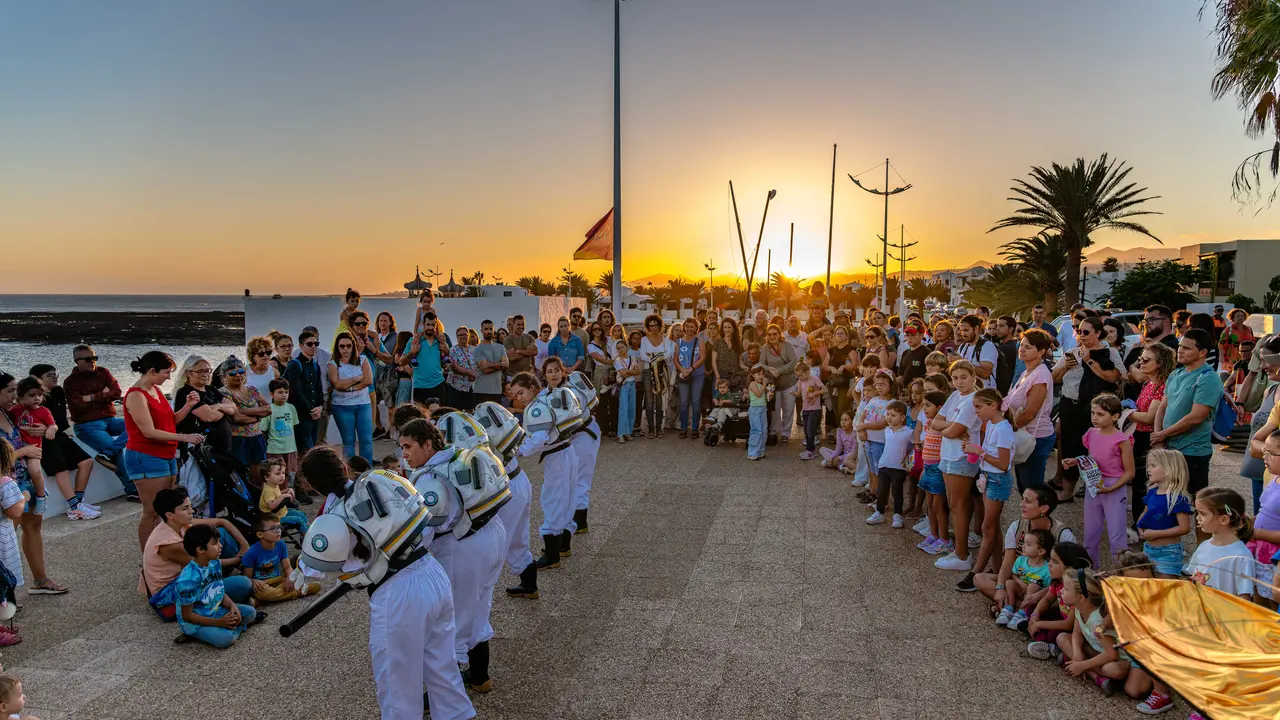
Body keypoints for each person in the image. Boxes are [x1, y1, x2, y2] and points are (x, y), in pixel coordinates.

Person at [295, 447, 475, 720]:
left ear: (310, 484)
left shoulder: (332, 516)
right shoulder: (383, 480)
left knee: (397, 686)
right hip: (432, 574)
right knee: (442, 668)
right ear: (344, 468)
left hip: (398, 593)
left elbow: (313, 569)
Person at [125, 352, 202, 553]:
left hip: (165, 455)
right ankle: (148, 556)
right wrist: (185, 437)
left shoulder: (155, 390)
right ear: (152, 371)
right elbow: (148, 432)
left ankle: (162, 549)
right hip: (146, 456)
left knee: (165, 509)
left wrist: (187, 406)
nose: (168, 377)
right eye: (166, 373)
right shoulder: (136, 395)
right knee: (151, 511)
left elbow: (169, 423)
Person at [139, 487, 250, 621]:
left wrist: (244, 545)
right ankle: (248, 572)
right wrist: (238, 559)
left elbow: (222, 522)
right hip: (173, 592)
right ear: (170, 515)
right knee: (243, 584)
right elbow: (205, 564)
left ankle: (249, 568)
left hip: (194, 573)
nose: (192, 511)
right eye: (186, 508)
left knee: (221, 534)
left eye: (190, 506)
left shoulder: (178, 523)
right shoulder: (169, 543)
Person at [508, 371, 580, 569]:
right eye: (515, 396)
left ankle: (552, 555)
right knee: (567, 498)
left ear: (532, 387)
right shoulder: (546, 399)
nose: (519, 399)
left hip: (557, 455)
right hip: (567, 451)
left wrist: (517, 451)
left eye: (521, 393)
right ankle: (562, 545)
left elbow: (538, 439)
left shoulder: (537, 407)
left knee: (552, 500)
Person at [1152, 328, 1223, 521]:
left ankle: (1202, 549)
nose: (1179, 351)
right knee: (1167, 501)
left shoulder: (1208, 378)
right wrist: (1158, 437)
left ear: (1202, 353)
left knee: (1200, 507)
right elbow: (1162, 407)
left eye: (1186, 348)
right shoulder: (1176, 374)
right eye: (1180, 346)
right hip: (1168, 447)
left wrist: (1163, 434)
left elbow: (1195, 417)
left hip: (1192, 452)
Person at [1051, 317, 1123, 502]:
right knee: (1069, 447)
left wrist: (1090, 361)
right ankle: (1067, 491)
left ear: (1098, 333)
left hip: (1096, 408)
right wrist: (1065, 368)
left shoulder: (1110, 353)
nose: (1080, 335)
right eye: (1078, 331)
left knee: (1097, 448)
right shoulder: (1072, 352)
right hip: (1071, 404)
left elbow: (1116, 377)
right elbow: (1053, 378)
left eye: (1085, 331)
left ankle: (1095, 488)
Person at [1063, 394, 1135, 567]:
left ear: (1115, 416)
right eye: (1093, 413)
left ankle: (1120, 577)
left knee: (1117, 536)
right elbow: (1093, 459)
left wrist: (1113, 488)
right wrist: (1077, 460)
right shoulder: (1091, 434)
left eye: (1100, 414)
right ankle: (1090, 574)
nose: (1095, 417)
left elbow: (1130, 472)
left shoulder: (1122, 440)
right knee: (1090, 534)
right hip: (1094, 485)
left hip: (1114, 487)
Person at [62, 345, 138, 500]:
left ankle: (108, 451)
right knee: (118, 453)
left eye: (94, 358)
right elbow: (77, 405)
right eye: (88, 359)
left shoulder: (103, 372)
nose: (93, 362)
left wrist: (90, 398)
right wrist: (103, 395)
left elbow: (116, 393)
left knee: (138, 424)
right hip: (87, 425)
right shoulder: (70, 382)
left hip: (109, 419)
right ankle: (131, 490)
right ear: (77, 361)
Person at [26, 365, 100, 520]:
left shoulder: (58, 392)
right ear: (37, 379)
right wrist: (46, 428)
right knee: (61, 468)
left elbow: (60, 419)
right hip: (45, 441)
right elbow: (28, 422)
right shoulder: (32, 398)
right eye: (49, 375)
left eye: (55, 374)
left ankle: (78, 502)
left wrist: (49, 427)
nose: (54, 377)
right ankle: (74, 507)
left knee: (86, 462)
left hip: (58, 434)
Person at [174, 524, 260, 649]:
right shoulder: (188, 581)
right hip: (196, 622)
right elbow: (187, 616)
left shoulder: (214, 563)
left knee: (251, 613)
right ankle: (197, 634)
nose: (220, 546)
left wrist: (232, 605)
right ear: (200, 550)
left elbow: (219, 590)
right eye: (215, 544)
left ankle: (230, 627)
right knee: (226, 639)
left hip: (215, 610)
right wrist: (219, 623)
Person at [964, 387, 1017, 585]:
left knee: (988, 526)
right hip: (988, 477)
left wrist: (979, 453)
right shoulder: (993, 425)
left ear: (992, 405)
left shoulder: (1002, 429)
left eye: (978, 407)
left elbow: (1003, 464)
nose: (976, 411)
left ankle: (976, 572)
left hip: (997, 479)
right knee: (992, 525)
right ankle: (997, 567)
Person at [934, 361, 982, 575]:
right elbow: (935, 422)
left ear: (973, 376)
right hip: (948, 455)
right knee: (954, 504)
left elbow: (953, 431)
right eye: (955, 378)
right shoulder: (955, 396)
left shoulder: (973, 400)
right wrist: (949, 427)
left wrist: (948, 428)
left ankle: (962, 555)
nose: (959, 381)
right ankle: (959, 549)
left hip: (961, 457)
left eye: (964, 377)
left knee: (959, 506)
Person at [1056, 569, 1133, 696]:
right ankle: (1095, 676)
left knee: (1113, 670)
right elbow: (1076, 633)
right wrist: (1077, 653)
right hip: (1097, 650)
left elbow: (1112, 654)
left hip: (1118, 659)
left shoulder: (1098, 621)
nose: (1061, 591)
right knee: (1062, 638)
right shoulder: (1078, 609)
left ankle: (1079, 666)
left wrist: (1082, 665)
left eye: (1066, 588)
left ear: (1080, 597)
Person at [1126, 341, 1175, 524]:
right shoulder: (1149, 383)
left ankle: (1146, 523)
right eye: (1140, 359)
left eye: (1146, 360)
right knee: (1139, 484)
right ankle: (1139, 521)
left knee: (1146, 485)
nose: (1141, 363)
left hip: (1149, 439)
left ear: (1160, 363)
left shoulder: (1162, 386)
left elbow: (1149, 417)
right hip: (1137, 436)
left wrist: (1126, 413)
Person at [1002, 329, 1055, 493]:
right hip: (1022, 433)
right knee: (1024, 486)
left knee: (1032, 489)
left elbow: (1030, 413)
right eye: (1022, 345)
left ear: (1041, 352)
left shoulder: (1040, 375)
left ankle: (1039, 518)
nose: (1022, 349)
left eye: (1028, 347)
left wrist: (1005, 429)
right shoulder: (1027, 371)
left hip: (1035, 436)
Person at [1023, 542, 1092, 662]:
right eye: (1050, 559)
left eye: (1055, 562)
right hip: (1061, 616)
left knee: (1053, 634)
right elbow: (1047, 599)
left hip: (1072, 628)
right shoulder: (1057, 581)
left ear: (1069, 568)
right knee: (1031, 609)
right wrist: (1035, 616)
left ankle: (1046, 643)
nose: (1049, 564)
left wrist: (1039, 624)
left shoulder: (1076, 591)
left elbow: (1068, 624)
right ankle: (1043, 642)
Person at [1185, 487, 1256, 598]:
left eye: (1203, 514)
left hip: (1225, 614)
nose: (1197, 518)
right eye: (1197, 513)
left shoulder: (1242, 556)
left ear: (1223, 519)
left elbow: (1244, 598)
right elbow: (1193, 579)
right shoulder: (1203, 546)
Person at [1135, 448, 1193, 578]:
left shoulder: (1178, 498)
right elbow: (1145, 513)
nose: (1148, 469)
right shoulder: (1152, 492)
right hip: (1148, 548)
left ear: (1169, 469)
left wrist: (1156, 534)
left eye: (1153, 465)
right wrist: (1140, 529)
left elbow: (1184, 528)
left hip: (1169, 551)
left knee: (1166, 590)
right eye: (1148, 466)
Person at [217, 356, 271, 485]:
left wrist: (242, 410)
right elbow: (236, 418)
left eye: (241, 372)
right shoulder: (223, 393)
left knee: (258, 471)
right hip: (237, 439)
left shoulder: (252, 389)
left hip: (257, 436)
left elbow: (268, 409)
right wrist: (258, 414)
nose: (238, 376)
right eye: (232, 373)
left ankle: (257, 500)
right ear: (224, 376)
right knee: (238, 473)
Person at [241, 515, 318, 604]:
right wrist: (253, 581)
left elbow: (287, 566)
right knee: (264, 592)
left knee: (292, 581)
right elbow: (246, 577)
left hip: (277, 580)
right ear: (260, 534)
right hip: (261, 585)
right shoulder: (252, 552)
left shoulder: (281, 544)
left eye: (279, 527)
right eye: (273, 528)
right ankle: (303, 590)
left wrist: (290, 577)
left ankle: (259, 602)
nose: (278, 531)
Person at [172, 355, 235, 456]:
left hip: (221, 449)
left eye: (207, 371)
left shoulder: (210, 389)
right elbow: (209, 417)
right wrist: (224, 409)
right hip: (198, 451)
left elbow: (233, 408)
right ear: (188, 373)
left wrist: (218, 407)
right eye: (200, 371)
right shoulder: (186, 393)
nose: (205, 374)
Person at [328, 332, 375, 462]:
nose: (345, 349)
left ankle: (366, 470)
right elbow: (337, 384)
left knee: (366, 440)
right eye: (342, 346)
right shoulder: (333, 364)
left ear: (353, 346)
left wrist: (350, 387)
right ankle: (351, 472)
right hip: (342, 406)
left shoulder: (362, 359)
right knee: (348, 441)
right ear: (337, 347)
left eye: (348, 346)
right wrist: (357, 378)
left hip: (363, 404)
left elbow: (369, 380)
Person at [9, 378, 51, 519]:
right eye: (32, 395)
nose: (37, 398)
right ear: (21, 397)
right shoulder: (15, 410)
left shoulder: (43, 411)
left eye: (39, 395)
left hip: (33, 447)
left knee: (35, 471)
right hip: (19, 446)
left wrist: (50, 429)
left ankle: (41, 496)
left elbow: (53, 424)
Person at [994, 528, 1053, 629]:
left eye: (1028, 544)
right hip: (1021, 590)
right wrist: (1020, 583)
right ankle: (1009, 609)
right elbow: (1014, 574)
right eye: (1024, 542)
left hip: (1034, 597)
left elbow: (1049, 587)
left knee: (1033, 586)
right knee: (1009, 583)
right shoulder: (1021, 560)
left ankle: (1023, 612)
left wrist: (1035, 592)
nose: (1023, 546)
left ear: (1041, 551)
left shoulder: (1047, 569)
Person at [867, 400, 913, 527]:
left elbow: (916, 445)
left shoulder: (908, 432)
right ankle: (879, 513)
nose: (889, 417)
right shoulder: (887, 430)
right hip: (884, 465)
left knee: (897, 492)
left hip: (899, 468)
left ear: (902, 417)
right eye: (887, 414)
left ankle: (897, 515)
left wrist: (909, 458)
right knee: (881, 491)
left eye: (893, 415)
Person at [1250, 429, 1280, 608]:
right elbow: (1267, 510)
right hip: (1260, 549)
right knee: (1257, 594)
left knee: (1271, 601)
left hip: (1274, 556)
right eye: (1264, 452)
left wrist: (1258, 532)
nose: (1265, 457)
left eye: (1271, 453)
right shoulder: (1275, 479)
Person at [284, 329, 325, 457]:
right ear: (301, 346)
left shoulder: (315, 365)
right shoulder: (295, 365)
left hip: (313, 414)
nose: (313, 347)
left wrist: (320, 407)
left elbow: (319, 389)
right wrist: (311, 409)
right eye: (309, 344)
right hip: (301, 415)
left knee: (312, 445)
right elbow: (295, 391)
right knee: (306, 449)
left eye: (316, 344)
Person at [0, 439, 28, 619]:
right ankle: (7, 609)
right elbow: (14, 511)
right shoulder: (5, 483)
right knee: (4, 574)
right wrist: (24, 497)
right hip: (2, 536)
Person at [760, 324, 799, 443]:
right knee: (775, 410)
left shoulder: (787, 345)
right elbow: (761, 363)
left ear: (779, 334)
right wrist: (770, 369)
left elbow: (793, 362)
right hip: (773, 385)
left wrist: (779, 371)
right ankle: (774, 432)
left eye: (774, 334)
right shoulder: (766, 347)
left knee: (788, 409)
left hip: (789, 382)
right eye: (770, 334)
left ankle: (785, 433)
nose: (772, 336)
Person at [638, 314, 675, 439]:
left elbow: (669, 353)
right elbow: (642, 355)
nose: (653, 327)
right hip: (648, 372)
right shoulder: (644, 340)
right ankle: (651, 429)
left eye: (655, 325)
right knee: (649, 401)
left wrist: (653, 356)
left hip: (661, 373)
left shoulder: (666, 340)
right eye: (651, 325)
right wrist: (659, 356)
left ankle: (659, 429)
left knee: (660, 401)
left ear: (659, 326)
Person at [673, 317, 706, 439]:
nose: (689, 329)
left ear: (696, 328)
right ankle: (683, 428)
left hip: (697, 374)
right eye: (687, 326)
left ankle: (695, 429)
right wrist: (682, 370)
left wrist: (691, 369)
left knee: (696, 402)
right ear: (684, 327)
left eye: (692, 326)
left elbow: (702, 358)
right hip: (683, 375)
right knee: (684, 403)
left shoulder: (700, 341)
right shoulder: (679, 342)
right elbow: (675, 359)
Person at [258, 457, 309, 535]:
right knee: (299, 520)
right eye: (278, 474)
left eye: (283, 473)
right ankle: (307, 537)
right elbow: (271, 505)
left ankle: (306, 533)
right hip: (274, 518)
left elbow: (277, 494)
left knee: (301, 514)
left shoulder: (274, 485)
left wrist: (287, 490)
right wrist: (284, 496)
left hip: (282, 513)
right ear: (267, 477)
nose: (282, 476)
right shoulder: (268, 490)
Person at [407, 313, 449, 406]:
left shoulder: (440, 340)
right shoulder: (414, 340)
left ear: (436, 325)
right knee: (422, 418)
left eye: (433, 325)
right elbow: (402, 361)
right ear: (423, 324)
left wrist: (447, 350)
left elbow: (449, 359)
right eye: (428, 324)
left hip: (438, 384)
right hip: (420, 386)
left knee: (439, 416)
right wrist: (411, 352)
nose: (430, 327)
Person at [470, 319, 508, 408]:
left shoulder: (501, 347)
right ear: (481, 331)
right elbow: (485, 370)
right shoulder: (477, 349)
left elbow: (506, 364)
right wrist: (500, 365)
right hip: (481, 391)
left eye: (490, 329)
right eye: (486, 329)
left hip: (496, 391)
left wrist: (489, 364)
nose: (488, 331)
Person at [954, 315, 997, 389]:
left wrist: (962, 361)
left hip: (983, 393)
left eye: (966, 330)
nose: (963, 334)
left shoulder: (987, 346)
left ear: (976, 329)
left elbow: (985, 373)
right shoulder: (963, 346)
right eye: (961, 330)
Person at [793, 360, 825, 460]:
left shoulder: (815, 379)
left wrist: (814, 393)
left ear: (807, 372)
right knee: (806, 431)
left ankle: (810, 451)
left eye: (801, 375)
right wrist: (794, 393)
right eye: (797, 376)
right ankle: (808, 450)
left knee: (811, 431)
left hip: (814, 409)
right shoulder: (800, 381)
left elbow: (824, 389)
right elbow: (799, 393)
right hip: (805, 408)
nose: (799, 378)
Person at [445, 326, 478, 411]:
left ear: (468, 336)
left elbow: (478, 365)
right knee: (455, 411)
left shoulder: (474, 349)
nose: (463, 336)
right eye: (460, 335)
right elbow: (455, 367)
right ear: (457, 337)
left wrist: (475, 375)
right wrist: (470, 373)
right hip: (456, 386)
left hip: (470, 386)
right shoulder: (453, 350)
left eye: (465, 334)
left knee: (470, 411)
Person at [614, 339, 640, 443]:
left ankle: (628, 432)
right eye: (618, 348)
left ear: (627, 347)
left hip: (632, 384)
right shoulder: (617, 360)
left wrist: (629, 371)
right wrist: (631, 372)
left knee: (631, 409)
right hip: (624, 385)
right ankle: (620, 433)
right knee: (623, 409)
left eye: (622, 347)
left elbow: (637, 371)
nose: (620, 349)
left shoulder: (632, 358)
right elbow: (622, 373)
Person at [711, 318, 745, 391]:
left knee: (732, 400)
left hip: (734, 377)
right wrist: (717, 377)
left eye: (729, 327)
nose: (727, 329)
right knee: (719, 400)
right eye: (725, 327)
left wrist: (745, 367)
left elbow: (740, 362)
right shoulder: (718, 342)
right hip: (721, 376)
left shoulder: (738, 343)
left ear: (733, 328)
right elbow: (714, 361)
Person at [745, 365, 771, 461]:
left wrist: (769, 394)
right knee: (756, 431)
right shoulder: (752, 384)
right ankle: (752, 452)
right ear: (753, 375)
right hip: (755, 410)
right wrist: (764, 385)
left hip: (763, 408)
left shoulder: (761, 385)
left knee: (764, 430)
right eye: (758, 374)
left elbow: (765, 397)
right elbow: (758, 394)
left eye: (762, 374)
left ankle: (761, 451)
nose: (761, 376)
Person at [503, 314, 538, 381]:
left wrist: (519, 351)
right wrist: (527, 351)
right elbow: (512, 357)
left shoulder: (529, 337)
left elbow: (535, 351)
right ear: (513, 325)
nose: (521, 326)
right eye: (519, 324)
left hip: (528, 374)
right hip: (513, 376)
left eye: (523, 324)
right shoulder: (508, 340)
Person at [1219, 307, 1255, 373]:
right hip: (1233, 357)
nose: (1240, 317)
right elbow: (1222, 344)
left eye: (1242, 316)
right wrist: (1221, 356)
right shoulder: (1228, 330)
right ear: (1233, 318)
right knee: (1233, 375)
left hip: (1247, 357)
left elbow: (1253, 342)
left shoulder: (1249, 329)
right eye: (1237, 316)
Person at [992, 316, 1019, 394]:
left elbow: (1004, 374)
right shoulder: (1006, 346)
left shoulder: (1007, 348)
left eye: (1001, 326)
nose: (997, 328)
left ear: (1011, 329)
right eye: (997, 325)